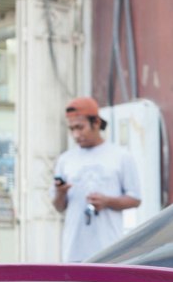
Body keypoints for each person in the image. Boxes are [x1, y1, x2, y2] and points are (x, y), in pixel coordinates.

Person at [52, 97, 141, 262]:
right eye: (72, 129)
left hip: (109, 249)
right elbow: (58, 207)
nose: (76, 135)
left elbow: (135, 199)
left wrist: (107, 201)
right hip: (74, 251)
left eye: (80, 127)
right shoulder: (65, 160)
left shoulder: (121, 156)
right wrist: (60, 193)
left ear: (96, 123)